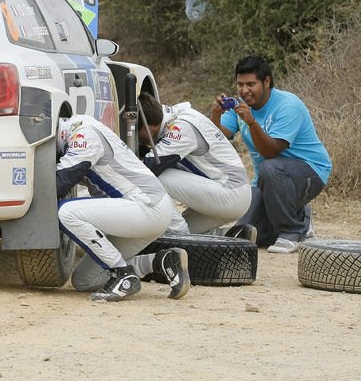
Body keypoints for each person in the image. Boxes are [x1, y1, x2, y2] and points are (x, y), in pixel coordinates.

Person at [56, 106, 190, 301]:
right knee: (85, 280)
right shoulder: (82, 127)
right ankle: (162, 261)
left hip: (146, 207)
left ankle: (122, 274)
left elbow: (59, 184)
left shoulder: (84, 135)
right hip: (145, 210)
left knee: (67, 212)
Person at [208, 55, 332, 253]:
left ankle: (293, 232)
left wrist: (251, 122)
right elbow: (217, 139)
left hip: (310, 173)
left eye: (251, 84)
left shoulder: (288, 106)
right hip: (268, 180)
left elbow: (270, 151)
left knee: (270, 166)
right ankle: (302, 217)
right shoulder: (240, 106)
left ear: (267, 82)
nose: (244, 90)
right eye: (240, 84)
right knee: (245, 234)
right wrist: (215, 115)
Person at [136, 93, 254, 241]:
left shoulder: (181, 127)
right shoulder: (174, 117)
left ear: (146, 128)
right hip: (231, 194)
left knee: (150, 175)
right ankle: (224, 236)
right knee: (165, 233)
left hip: (230, 193)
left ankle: (181, 238)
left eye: (136, 132)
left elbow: (149, 167)